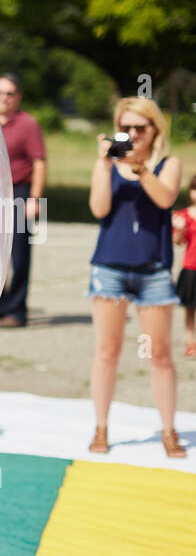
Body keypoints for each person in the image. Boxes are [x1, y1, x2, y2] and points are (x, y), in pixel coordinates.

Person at [87, 96, 186, 458]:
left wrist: (140, 168)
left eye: (139, 128)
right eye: (125, 128)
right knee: (107, 351)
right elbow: (99, 209)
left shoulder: (168, 163)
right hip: (109, 268)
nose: (131, 134)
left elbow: (165, 199)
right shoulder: (109, 164)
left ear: (154, 129)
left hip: (153, 271)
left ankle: (169, 429)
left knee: (159, 354)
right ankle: (101, 426)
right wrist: (103, 163)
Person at [0, 74, 46, 328]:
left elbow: (39, 162)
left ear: (18, 97)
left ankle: (17, 309)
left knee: (19, 253)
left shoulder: (27, 124)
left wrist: (35, 199)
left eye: (9, 93)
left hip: (19, 192)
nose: (3, 98)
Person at [171, 175, 196, 358]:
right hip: (191, 267)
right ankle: (190, 342)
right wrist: (180, 230)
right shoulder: (184, 216)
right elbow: (177, 242)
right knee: (190, 308)